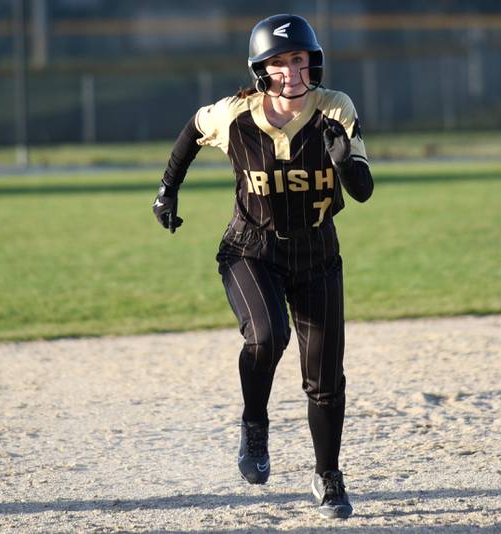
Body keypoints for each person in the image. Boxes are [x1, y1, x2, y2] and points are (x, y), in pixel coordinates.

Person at [152, 14, 373, 519]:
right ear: (260, 69)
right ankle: (255, 424)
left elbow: (362, 191)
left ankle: (327, 477)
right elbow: (192, 129)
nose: (290, 72)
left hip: (317, 253)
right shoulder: (236, 114)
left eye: (297, 60)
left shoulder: (335, 108)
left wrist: (345, 161)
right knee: (268, 335)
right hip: (251, 248)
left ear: (310, 61)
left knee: (325, 378)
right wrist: (167, 190)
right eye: (278, 63)